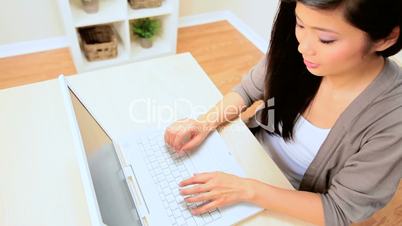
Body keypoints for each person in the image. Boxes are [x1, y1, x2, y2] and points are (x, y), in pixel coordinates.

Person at [164, 0, 402, 225]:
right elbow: (248, 90)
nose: (303, 47)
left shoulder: (392, 116)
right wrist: (205, 123)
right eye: (300, 24)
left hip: (291, 203)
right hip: (248, 161)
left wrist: (247, 190)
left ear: (385, 38)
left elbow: (338, 210)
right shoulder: (298, 51)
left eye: (326, 39)